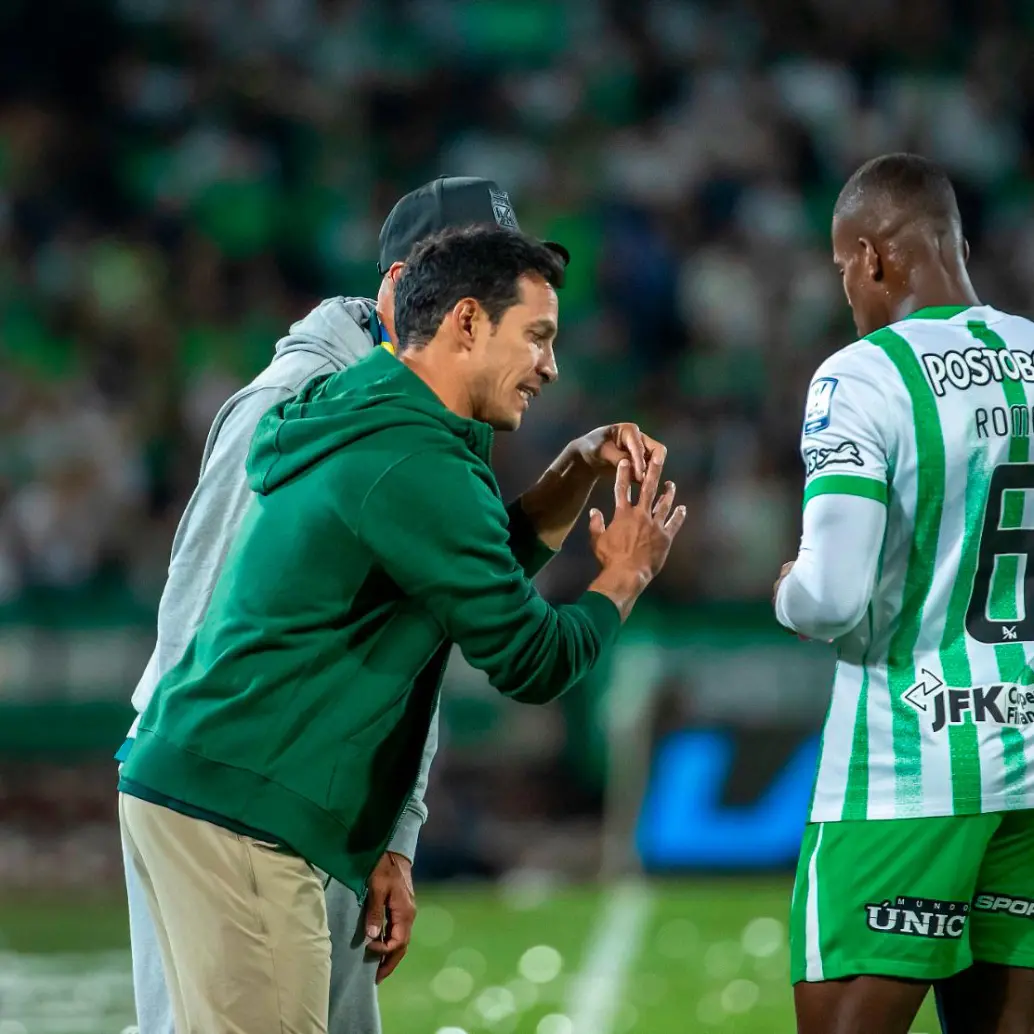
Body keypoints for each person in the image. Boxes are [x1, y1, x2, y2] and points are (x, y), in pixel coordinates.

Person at [118, 224, 685, 1033]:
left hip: (206, 787)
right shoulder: (417, 460)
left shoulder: (378, 411)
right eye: (537, 337)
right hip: (240, 812)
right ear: (464, 321)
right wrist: (624, 575)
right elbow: (531, 658)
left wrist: (572, 473)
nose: (551, 366)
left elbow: (461, 569)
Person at [774, 152, 1034, 1034]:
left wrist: (787, 591)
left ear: (871, 257)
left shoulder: (862, 376)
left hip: (907, 769)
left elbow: (830, 597)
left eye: (842, 267)